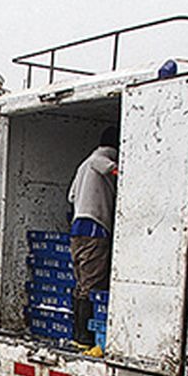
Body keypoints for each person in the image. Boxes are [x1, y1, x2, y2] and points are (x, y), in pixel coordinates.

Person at [67, 126, 119, 348]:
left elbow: (71, 196)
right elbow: (115, 171)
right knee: (91, 282)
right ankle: (84, 337)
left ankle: (79, 334)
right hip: (94, 228)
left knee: (81, 281)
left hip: (78, 229)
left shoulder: (82, 165)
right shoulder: (101, 160)